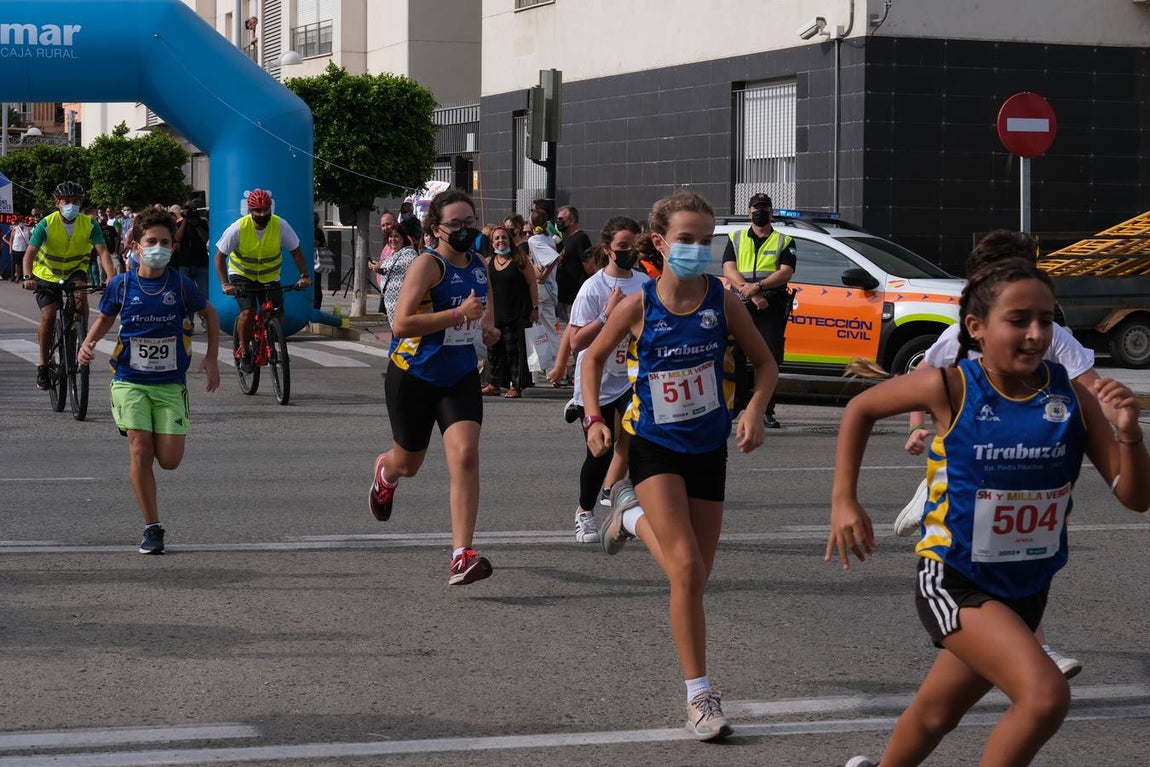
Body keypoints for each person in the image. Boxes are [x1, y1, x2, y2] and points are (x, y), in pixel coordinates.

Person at [828, 258, 1150, 767]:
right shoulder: (952, 386)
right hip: (954, 578)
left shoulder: (1072, 396)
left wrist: (1129, 433)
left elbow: (1135, 496)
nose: (1036, 334)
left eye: (1046, 320)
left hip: (1025, 589)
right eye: (1019, 320)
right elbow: (860, 409)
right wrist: (845, 498)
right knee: (1045, 697)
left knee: (938, 712)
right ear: (976, 329)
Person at [581, 190, 777, 740]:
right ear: (662, 243)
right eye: (686, 240)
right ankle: (700, 697)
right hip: (653, 446)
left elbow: (765, 363)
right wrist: (595, 418)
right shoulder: (639, 305)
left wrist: (755, 410)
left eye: (706, 240)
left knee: (693, 577)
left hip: (707, 447)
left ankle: (628, 515)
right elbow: (592, 357)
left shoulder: (722, 299)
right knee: (686, 570)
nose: (697, 249)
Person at [886, 230, 1104, 678]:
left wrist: (1107, 419)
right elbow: (925, 378)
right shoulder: (958, 336)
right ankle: (1033, 652)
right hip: (977, 457)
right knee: (997, 557)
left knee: (1017, 556)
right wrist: (917, 426)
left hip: (1028, 460)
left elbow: (1089, 383)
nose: (1032, 333)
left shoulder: (1052, 334)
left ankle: (1012, 646)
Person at [369, 189, 501, 586]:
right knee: (409, 464)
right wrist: (457, 314)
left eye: (469, 222)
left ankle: (462, 554)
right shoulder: (429, 265)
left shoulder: (479, 264)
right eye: (455, 224)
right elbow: (402, 324)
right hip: (414, 374)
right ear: (436, 228)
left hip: (459, 375)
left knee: (465, 456)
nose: (464, 230)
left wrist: (488, 329)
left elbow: (484, 311)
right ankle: (385, 472)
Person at [77, 208, 221, 554]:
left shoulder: (181, 285)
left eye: (165, 242)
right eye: (151, 241)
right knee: (140, 449)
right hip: (129, 380)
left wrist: (212, 358)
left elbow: (210, 314)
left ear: (173, 247)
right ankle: (152, 527)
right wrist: (88, 343)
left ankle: (148, 428)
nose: (159, 247)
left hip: (171, 384)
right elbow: (106, 319)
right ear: (136, 246)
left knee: (169, 460)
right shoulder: (122, 285)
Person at [567, 216, 649, 543]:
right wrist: (607, 315)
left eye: (633, 247)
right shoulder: (594, 288)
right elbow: (575, 342)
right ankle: (584, 512)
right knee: (600, 450)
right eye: (622, 248)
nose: (629, 253)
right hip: (597, 382)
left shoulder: (644, 283)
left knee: (634, 439)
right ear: (607, 249)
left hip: (630, 378)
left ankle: (614, 498)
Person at [21, 181, 116, 391]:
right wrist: (28, 277)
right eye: (67, 201)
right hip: (46, 274)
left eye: (76, 201)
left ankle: (81, 339)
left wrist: (111, 277)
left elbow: (103, 253)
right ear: (58, 202)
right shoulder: (46, 223)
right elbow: (29, 255)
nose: (71, 205)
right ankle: (44, 365)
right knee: (48, 315)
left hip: (74, 271)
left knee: (81, 299)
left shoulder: (90, 224)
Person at [213, 188, 311, 373]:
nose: (262, 214)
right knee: (248, 313)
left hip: (269, 276)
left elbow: (296, 251)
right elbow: (219, 257)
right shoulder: (238, 228)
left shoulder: (280, 225)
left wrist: (304, 276)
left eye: (266, 210)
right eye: (258, 211)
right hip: (242, 275)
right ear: (250, 210)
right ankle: (245, 352)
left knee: (277, 313)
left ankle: (272, 338)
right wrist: (225, 284)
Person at [721, 193, 795, 429]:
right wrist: (751, 293)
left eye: (764, 208)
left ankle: (765, 409)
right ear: (749, 212)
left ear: (771, 212)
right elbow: (728, 268)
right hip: (742, 303)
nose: (759, 212)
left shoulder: (784, 240)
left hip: (771, 304)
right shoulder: (736, 237)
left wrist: (760, 287)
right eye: (755, 208)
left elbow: (785, 272)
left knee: (769, 357)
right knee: (737, 356)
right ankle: (737, 405)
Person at [483, 224, 538, 399]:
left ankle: (517, 385)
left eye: (504, 237)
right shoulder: (488, 262)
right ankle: (495, 384)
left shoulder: (520, 259)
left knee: (515, 352)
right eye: (497, 238)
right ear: (492, 242)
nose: (501, 241)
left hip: (518, 314)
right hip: (496, 314)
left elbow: (532, 284)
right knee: (495, 352)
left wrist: (535, 308)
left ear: (510, 240)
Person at [555, 205, 594, 321]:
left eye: (561, 219)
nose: (558, 222)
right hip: (563, 295)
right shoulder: (565, 237)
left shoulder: (581, 238)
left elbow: (589, 267)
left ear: (571, 220)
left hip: (575, 296)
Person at [174, 199, 211, 296]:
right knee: (185, 291)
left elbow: (205, 239)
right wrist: (185, 220)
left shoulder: (202, 223)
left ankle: (203, 310)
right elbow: (177, 238)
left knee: (203, 291)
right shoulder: (179, 224)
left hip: (200, 261)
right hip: (184, 262)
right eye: (187, 207)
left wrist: (196, 225)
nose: (189, 210)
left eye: (192, 208)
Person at [371, 210, 399, 312]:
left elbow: (400, 265)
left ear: (395, 223)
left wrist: (381, 268)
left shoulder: (402, 241)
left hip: (395, 292)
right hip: (386, 290)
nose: (385, 228)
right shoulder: (388, 242)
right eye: (383, 225)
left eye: (388, 224)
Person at [6, 215, 32, 282]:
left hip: (25, 249)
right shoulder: (15, 229)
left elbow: (31, 237)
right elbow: (11, 239)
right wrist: (10, 249)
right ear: (18, 222)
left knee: (25, 263)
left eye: (23, 221)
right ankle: (17, 277)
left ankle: (25, 276)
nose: (22, 223)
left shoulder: (27, 229)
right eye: (21, 221)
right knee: (18, 264)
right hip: (17, 248)